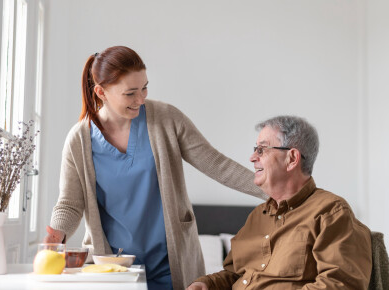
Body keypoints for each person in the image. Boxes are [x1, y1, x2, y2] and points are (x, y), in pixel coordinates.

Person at [43, 46, 267, 290]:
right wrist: (57, 233)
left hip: (171, 263)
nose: (141, 99)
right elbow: (70, 202)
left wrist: (271, 189)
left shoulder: (166, 119)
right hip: (114, 267)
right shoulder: (79, 139)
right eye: (130, 93)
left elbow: (217, 165)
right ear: (101, 92)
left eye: (144, 88)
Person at [187, 115, 372, 289]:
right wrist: (207, 284)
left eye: (261, 149)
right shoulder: (257, 216)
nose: (252, 158)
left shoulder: (331, 212)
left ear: (291, 159)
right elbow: (235, 274)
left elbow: (340, 284)